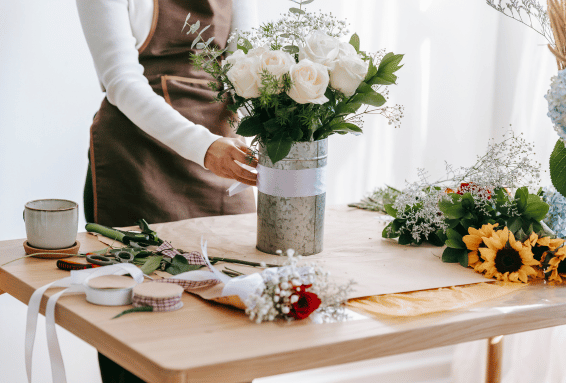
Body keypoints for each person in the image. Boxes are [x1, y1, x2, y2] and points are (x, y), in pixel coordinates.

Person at [76, 0, 257, 381]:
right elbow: (121, 81)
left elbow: (246, 64)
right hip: (136, 164)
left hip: (223, 160)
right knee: (140, 340)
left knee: (234, 332)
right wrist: (204, 148)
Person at [77, 0, 257, 228]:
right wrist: (205, 148)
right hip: (138, 159)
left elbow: (244, 72)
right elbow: (121, 81)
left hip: (223, 154)